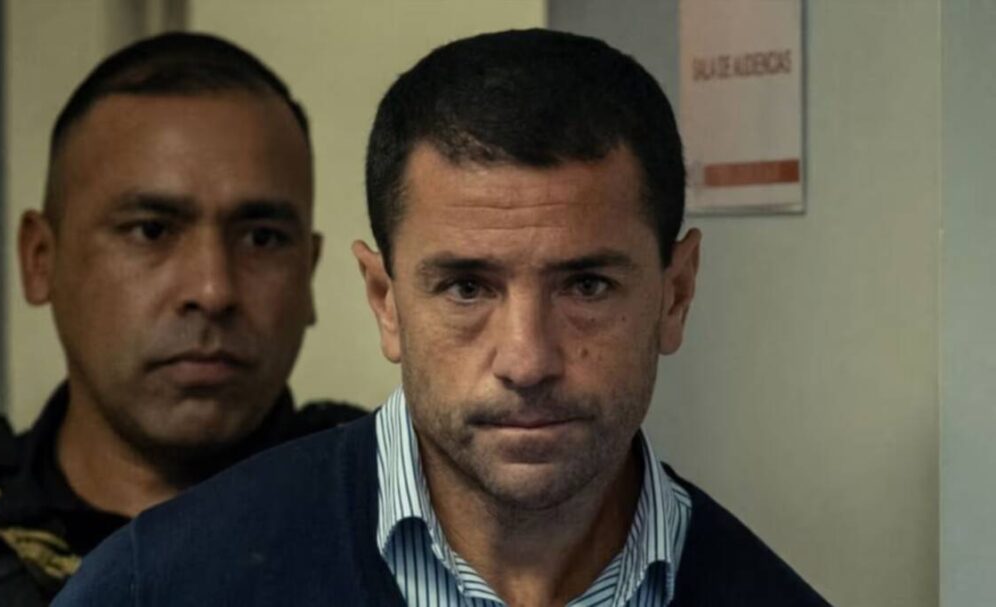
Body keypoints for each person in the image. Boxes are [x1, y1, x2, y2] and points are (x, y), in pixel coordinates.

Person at [54, 29, 828, 606]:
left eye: (587, 285)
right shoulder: (158, 586)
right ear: (385, 300)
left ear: (675, 293)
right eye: (466, 288)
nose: (527, 360)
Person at [0, 32, 365, 606]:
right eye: (151, 230)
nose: (213, 290)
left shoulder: (401, 517)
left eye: (262, 238)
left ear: (308, 271)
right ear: (41, 260)